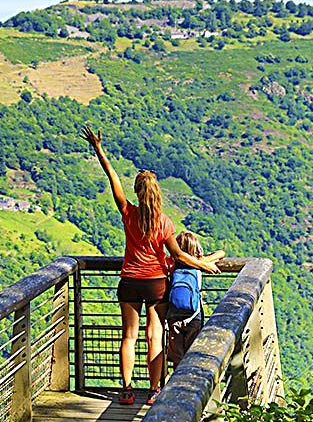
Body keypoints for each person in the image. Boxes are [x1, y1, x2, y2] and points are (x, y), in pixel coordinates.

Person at [80, 126, 222, 405]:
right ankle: (154, 391)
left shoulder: (127, 213)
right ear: (157, 194)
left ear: (137, 192)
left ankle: (126, 389)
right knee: (153, 336)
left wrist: (98, 148)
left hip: (129, 281)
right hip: (156, 282)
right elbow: (179, 256)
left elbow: (112, 178)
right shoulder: (164, 222)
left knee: (128, 337)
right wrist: (203, 266)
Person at [166, 231, 225, 370]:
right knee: (192, 353)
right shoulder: (199, 264)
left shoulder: (172, 264)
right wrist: (201, 261)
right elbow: (221, 253)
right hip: (194, 314)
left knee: (177, 356)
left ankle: (176, 384)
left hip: (173, 314)